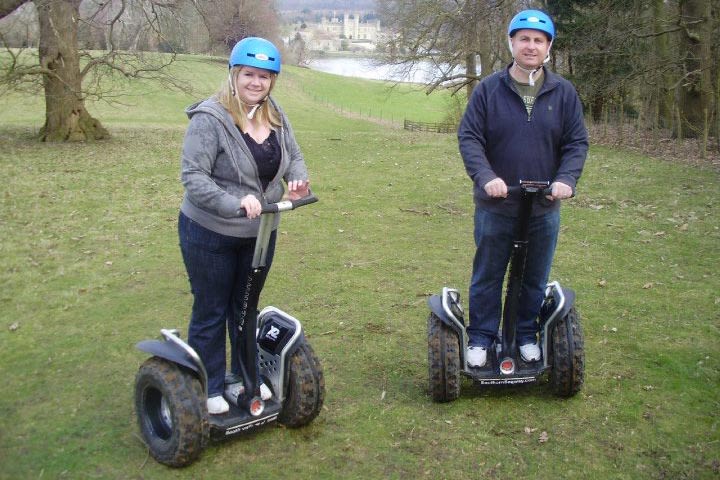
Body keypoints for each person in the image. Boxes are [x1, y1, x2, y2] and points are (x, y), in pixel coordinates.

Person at [178, 37, 310, 414]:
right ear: (234, 74)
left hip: (259, 234)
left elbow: (295, 157)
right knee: (212, 309)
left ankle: (243, 380)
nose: (257, 82)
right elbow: (194, 177)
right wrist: (234, 202)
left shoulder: (274, 114)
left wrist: (298, 181)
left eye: (265, 76)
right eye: (249, 74)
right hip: (210, 232)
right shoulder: (210, 118)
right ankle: (211, 385)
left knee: (245, 308)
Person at [457, 10, 588, 368]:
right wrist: (486, 177)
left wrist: (566, 180)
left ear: (548, 48)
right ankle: (482, 337)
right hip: (497, 204)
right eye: (525, 38)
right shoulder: (488, 90)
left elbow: (576, 143)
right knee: (488, 274)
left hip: (544, 206)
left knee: (534, 275)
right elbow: (470, 137)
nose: (531, 46)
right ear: (512, 43)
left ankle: (527, 334)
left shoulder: (563, 92)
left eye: (539, 40)